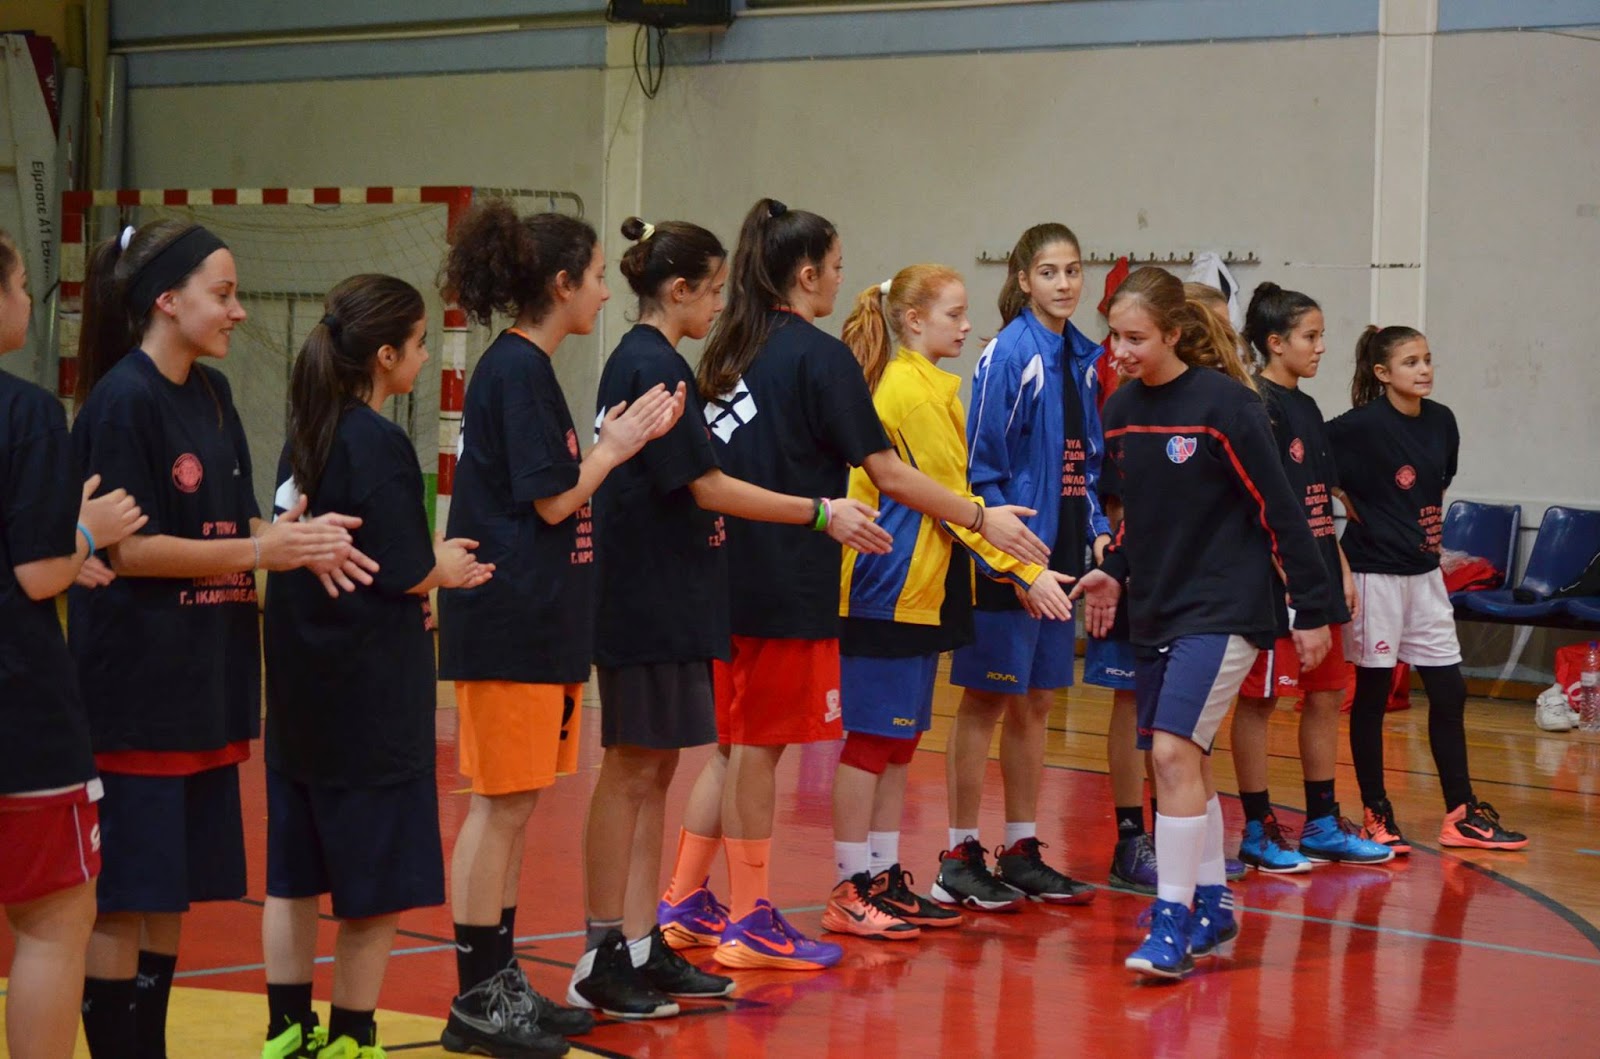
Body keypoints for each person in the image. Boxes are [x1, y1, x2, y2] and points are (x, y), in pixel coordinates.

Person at [679, 197, 1049, 971]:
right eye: (837, 265)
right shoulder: (820, 359)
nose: (843, 278)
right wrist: (981, 517)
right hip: (786, 582)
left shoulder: (727, 348)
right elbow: (888, 473)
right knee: (758, 751)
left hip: (718, 575)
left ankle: (685, 900)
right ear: (805, 273)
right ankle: (750, 915)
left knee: (730, 747)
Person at [571, 217, 890, 1016]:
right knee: (634, 770)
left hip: (682, 593)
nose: (722, 302)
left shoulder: (674, 360)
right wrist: (820, 512)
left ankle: (644, 938)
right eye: (713, 289)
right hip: (645, 598)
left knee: (659, 770)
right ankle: (607, 947)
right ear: (679, 289)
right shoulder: (651, 364)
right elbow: (706, 486)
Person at [70, 220, 364, 1059]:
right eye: (224, 293)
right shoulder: (123, 401)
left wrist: (296, 538)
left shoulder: (213, 394)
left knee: (171, 892)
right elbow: (130, 550)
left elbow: (233, 527)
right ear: (167, 299)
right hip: (137, 687)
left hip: (207, 679)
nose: (238, 311)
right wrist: (261, 552)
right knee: (125, 896)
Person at [436, 202, 683, 1058]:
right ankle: (477, 993)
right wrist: (613, 448)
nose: (607, 292)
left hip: (540, 621)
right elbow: (551, 500)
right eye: (599, 276)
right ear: (562, 282)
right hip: (508, 618)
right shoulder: (516, 370)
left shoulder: (526, 369)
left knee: (516, 805)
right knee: (498, 806)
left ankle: (500, 979)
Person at [1072, 267, 1333, 980]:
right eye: (1114, 336)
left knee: (1169, 755)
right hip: (1157, 608)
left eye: (1135, 338)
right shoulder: (1121, 410)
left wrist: (1312, 608)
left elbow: (1281, 513)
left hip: (1225, 610)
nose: (1120, 350)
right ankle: (1213, 901)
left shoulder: (1228, 407)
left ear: (1174, 334)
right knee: (1187, 760)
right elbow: (1142, 517)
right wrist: (1115, 570)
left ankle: (1172, 920)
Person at [260, 274, 494, 1059]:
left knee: (293, 875)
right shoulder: (379, 443)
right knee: (373, 887)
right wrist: (444, 567)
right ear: (385, 354)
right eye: (420, 343)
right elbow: (402, 568)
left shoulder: (304, 433)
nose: (426, 357)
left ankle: (286, 1030)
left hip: (298, 691)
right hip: (368, 698)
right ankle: (352, 1037)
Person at [828, 265, 1073, 939]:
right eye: (954, 315)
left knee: (901, 740)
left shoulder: (933, 387)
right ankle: (848, 884)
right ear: (913, 321)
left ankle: (883, 876)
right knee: (871, 740)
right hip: (884, 588)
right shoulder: (908, 392)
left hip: (924, 591)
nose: (967, 327)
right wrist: (1024, 571)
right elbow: (956, 506)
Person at [0, 228, 146, 1059]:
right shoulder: (24, 411)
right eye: (22, 283)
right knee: (55, 918)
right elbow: (35, 573)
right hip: (19, 712)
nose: (30, 298)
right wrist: (84, 534)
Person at [938, 223, 1108, 911]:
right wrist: (1013, 565)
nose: (1064, 284)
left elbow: (1083, 465)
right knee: (985, 701)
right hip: (1007, 560)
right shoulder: (1009, 353)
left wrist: (1097, 532)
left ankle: (1020, 846)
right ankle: (958, 854)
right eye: (1049, 272)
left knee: (1037, 702)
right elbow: (979, 472)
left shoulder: (1082, 357)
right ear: (1022, 279)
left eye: (1073, 270)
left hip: (1060, 557)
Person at [1329, 325, 1527, 853]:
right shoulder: (1358, 427)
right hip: (1374, 576)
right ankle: (1376, 811)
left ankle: (1461, 815)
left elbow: (1436, 482)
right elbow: (1304, 469)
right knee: (1373, 693)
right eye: (1411, 362)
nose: (1424, 370)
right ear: (1382, 373)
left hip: (1425, 575)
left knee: (1449, 690)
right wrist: (1340, 496)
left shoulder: (1442, 420)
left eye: (1427, 359)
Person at [1228, 283, 1393, 873]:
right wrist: (1298, 591)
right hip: (1277, 589)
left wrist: (1338, 567)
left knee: (1326, 698)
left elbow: (1319, 500)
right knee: (1261, 702)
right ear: (1275, 343)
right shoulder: (1257, 406)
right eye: (1310, 336)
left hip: (1320, 578)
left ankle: (1322, 822)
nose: (1321, 347)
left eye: (1321, 336)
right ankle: (1257, 826)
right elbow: (1266, 510)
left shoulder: (1309, 408)